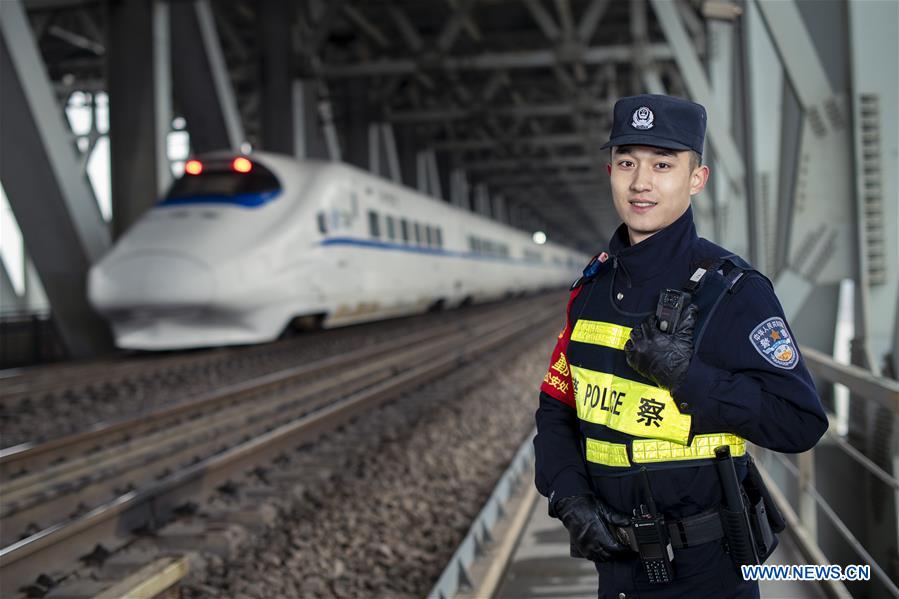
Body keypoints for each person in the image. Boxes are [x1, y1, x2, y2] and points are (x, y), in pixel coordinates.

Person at [534, 94, 828, 599]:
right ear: (610, 171)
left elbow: (800, 421)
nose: (641, 182)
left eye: (663, 165)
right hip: (616, 568)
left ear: (697, 179)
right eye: (627, 163)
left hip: (708, 574)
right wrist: (567, 495)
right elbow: (557, 407)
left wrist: (689, 378)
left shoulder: (732, 290)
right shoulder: (591, 289)